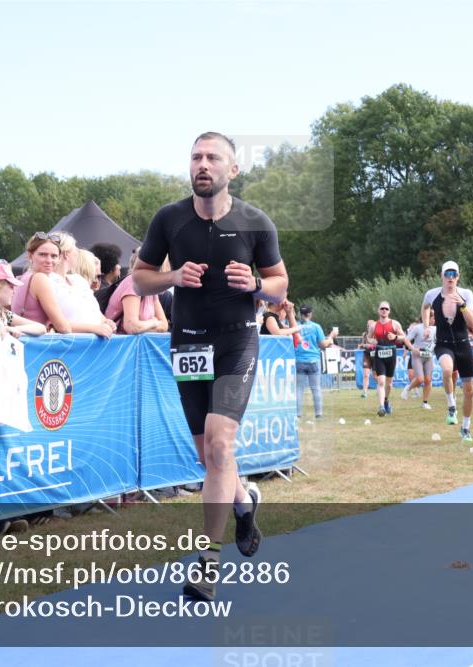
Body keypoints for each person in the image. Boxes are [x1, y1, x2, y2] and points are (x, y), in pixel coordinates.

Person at [131, 131, 289, 602]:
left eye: (213, 158)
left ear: (232, 170)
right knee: (208, 456)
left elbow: (280, 285)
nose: (203, 164)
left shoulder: (255, 222)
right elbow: (140, 280)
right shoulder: (169, 219)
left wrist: (257, 286)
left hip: (237, 340)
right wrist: (173, 277)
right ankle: (243, 501)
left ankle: (208, 561)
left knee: (221, 444)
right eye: (196, 157)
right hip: (188, 343)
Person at [12, 232, 116, 337]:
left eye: (54, 256)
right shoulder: (39, 278)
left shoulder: (27, 277)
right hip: (34, 345)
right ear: (30, 255)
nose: (49, 260)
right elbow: (62, 327)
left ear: (59, 258)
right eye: (42, 255)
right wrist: (95, 328)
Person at [422, 261, 473, 441]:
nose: (451, 278)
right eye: (448, 274)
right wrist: (425, 326)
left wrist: (462, 305)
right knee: (447, 369)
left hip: (463, 344)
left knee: (469, 390)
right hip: (443, 343)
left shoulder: (466, 294)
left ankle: (466, 428)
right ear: (442, 276)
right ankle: (451, 406)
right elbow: (425, 308)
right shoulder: (432, 294)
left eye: (454, 274)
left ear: (458, 277)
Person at [0, 260, 47, 336]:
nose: (14, 292)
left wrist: (16, 329)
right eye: (11, 287)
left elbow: (41, 328)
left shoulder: (3, 314)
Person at [294, 304, 338, 419]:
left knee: (299, 389)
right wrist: (331, 336)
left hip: (299, 360)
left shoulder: (295, 326)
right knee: (316, 388)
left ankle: (298, 414)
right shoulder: (316, 326)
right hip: (313, 360)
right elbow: (323, 345)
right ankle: (318, 414)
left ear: (300, 314)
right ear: (310, 314)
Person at [104, 260, 169, 334]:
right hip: (120, 343)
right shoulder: (133, 283)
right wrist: (153, 322)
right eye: (167, 265)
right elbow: (132, 327)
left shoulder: (151, 287)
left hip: (135, 343)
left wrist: (142, 327)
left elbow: (164, 325)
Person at [368, 301, 408, 417]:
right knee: (381, 381)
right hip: (379, 353)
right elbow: (369, 338)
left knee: (389, 384)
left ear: (389, 311)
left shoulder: (395, 324)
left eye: (386, 309)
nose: (384, 310)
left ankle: (385, 400)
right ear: (378, 311)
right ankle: (381, 407)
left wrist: (395, 337)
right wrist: (373, 341)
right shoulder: (373, 325)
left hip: (391, 353)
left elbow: (404, 337)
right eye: (382, 309)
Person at [400, 308, 435, 409]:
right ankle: (408, 388)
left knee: (428, 380)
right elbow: (406, 339)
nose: (435, 320)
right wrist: (412, 348)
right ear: (428, 318)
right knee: (420, 379)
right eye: (433, 318)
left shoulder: (435, 329)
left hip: (428, 356)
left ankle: (425, 403)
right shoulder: (417, 328)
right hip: (417, 356)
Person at [359, 323, 376, 399]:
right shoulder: (365, 334)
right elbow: (363, 344)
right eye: (368, 326)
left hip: (375, 355)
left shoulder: (377, 334)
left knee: (375, 375)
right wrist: (361, 346)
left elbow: (377, 345)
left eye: (370, 326)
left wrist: (369, 345)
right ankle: (365, 392)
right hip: (367, 355)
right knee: (366, 374)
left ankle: (381, 389)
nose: (369, 327)